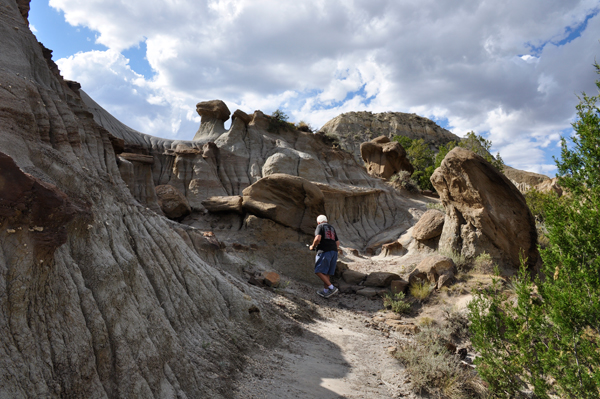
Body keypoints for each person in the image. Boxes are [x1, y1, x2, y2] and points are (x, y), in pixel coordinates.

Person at [309, 215, 340, 298]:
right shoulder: (332, 228)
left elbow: (318, 238)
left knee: (318, 270)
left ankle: (332, 288)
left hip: (324, 251)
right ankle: (326, 291)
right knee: (326, 272)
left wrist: (313, 246)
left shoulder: (320, 226)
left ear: (318, 222)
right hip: (334, 252)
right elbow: (337, 243)